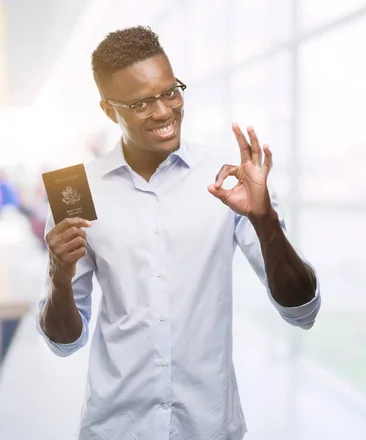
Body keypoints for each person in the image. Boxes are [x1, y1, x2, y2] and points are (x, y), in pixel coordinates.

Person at [36, 26, 321, 440]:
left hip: (209, 426)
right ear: (107, 109)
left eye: (170, 92)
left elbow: (302, 309)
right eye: (140, 102)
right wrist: (58, 277)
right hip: (116, 428)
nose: (164, 111)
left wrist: (265, 220)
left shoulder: (228, 180)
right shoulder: (75, 192)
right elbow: (65, 341)